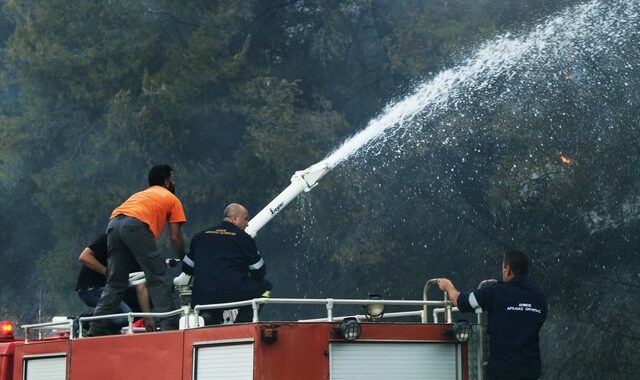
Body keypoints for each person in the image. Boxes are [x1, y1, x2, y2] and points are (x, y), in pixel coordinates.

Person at [87, 164, 187, 336]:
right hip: (135, 225)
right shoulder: (172, 199)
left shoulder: (140, 195)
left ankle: (95, 330)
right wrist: (185, 259)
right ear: (167, 182)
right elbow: (175, 238)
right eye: (173, 179)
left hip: (113, 224)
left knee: (115, 283)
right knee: (157, 277)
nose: (174, 182)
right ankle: (170, 329)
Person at [437, 250, 547, 380]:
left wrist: (448, 286)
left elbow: (460, 301)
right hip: (530, 371)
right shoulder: (538, 297)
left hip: (502, 370)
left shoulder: (495, 293)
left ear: (507, 270)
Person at [183, 203, 271, 324]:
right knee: (265, 286)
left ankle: (210, 317)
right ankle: (242, 323)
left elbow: (187, 267)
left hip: (202, 298)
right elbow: (259, 271)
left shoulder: (200, 237)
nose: (247, 224)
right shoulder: (243, 238)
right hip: (232, 294)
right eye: (245, 219)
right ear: (235, 218)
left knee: (213, 292)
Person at [75, 233, 154, 331]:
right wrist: (108, 273)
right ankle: (83, 323)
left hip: (114, 290)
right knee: (125, 315)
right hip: (91, 289)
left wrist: (148, 318)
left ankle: (110, 331)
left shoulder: (136, 254)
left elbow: (141, 287)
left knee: (141, 305)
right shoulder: (109, 238)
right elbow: (84, 257)